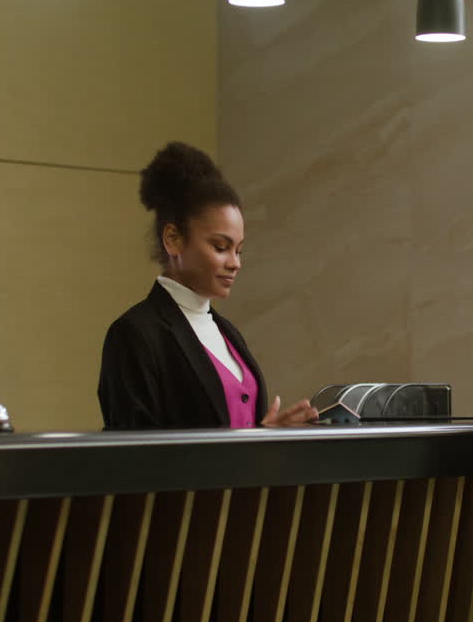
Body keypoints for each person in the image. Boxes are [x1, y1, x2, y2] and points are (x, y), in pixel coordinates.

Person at [98, 142, 318, 430]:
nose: (235, 263)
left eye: (238, 250)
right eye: (220, 247)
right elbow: (135, 460)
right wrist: (260, 441)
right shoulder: (134, 334)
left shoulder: (228, 332)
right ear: (173, 239)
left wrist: (268, 439)